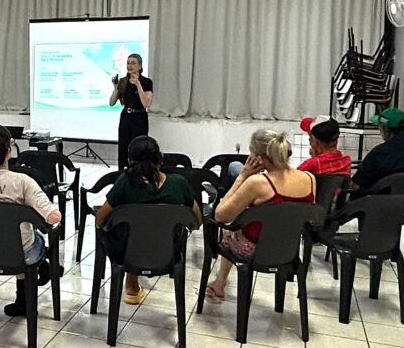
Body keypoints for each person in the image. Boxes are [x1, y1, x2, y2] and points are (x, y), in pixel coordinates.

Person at [205, 129, 315, 301]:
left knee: (229, 230)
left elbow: (220, 215)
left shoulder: (257, 183)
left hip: (255, 250)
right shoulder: (309, 178)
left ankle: (220, 282)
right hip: (289, 249)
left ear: (259, 158)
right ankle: (220, 282)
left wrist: (242, 176)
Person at [0, 123, 61, 317]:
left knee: (10, 235)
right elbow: (54, 216)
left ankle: (37, 276)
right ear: (9, 151)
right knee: (30, 238)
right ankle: (35, 281)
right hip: (22, 254)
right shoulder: (23, 182)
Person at [95, 136, 200, 304]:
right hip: (167, 252)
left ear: (130, 160)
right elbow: (197, 221)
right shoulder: (179, 184)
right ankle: (133, 285)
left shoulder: (125, 183)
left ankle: (132, 285)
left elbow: (100, 220)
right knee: (150, 233)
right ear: (160, 158)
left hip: (126, 254)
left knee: (131, 233)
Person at [351, 107, 404, 193]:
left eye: (379, 127)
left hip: (379, 201)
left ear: (386, 130)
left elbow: (356, 185)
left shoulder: (379, 152)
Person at [109, 54, 153, 169]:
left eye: (133, 63)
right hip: (126, 117)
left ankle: (139, 171)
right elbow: (111, 102)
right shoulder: (123, 81)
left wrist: (138, 84)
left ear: (140, 66)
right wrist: (115, 87)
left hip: (140, 117)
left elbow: (146, 103)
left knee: (139, 147)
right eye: (128, 63)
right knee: (123, 147)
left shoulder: (146, 82)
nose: (129, 66)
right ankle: (122, 172)